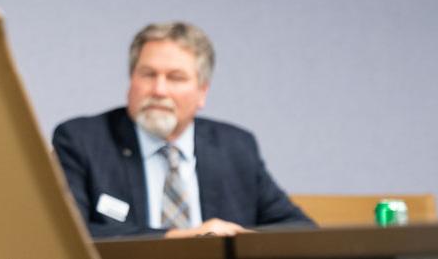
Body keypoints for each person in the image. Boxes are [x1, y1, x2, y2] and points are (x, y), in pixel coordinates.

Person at [52, 22, 313, 238]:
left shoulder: (235, 147)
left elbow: (300, 229)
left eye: (175, 78)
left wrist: (235, 240)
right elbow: (68, 234)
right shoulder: (83, 140)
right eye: (148, 74)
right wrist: (183, 240)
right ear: (131, 82)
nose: (159, 90)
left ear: (202, 92)